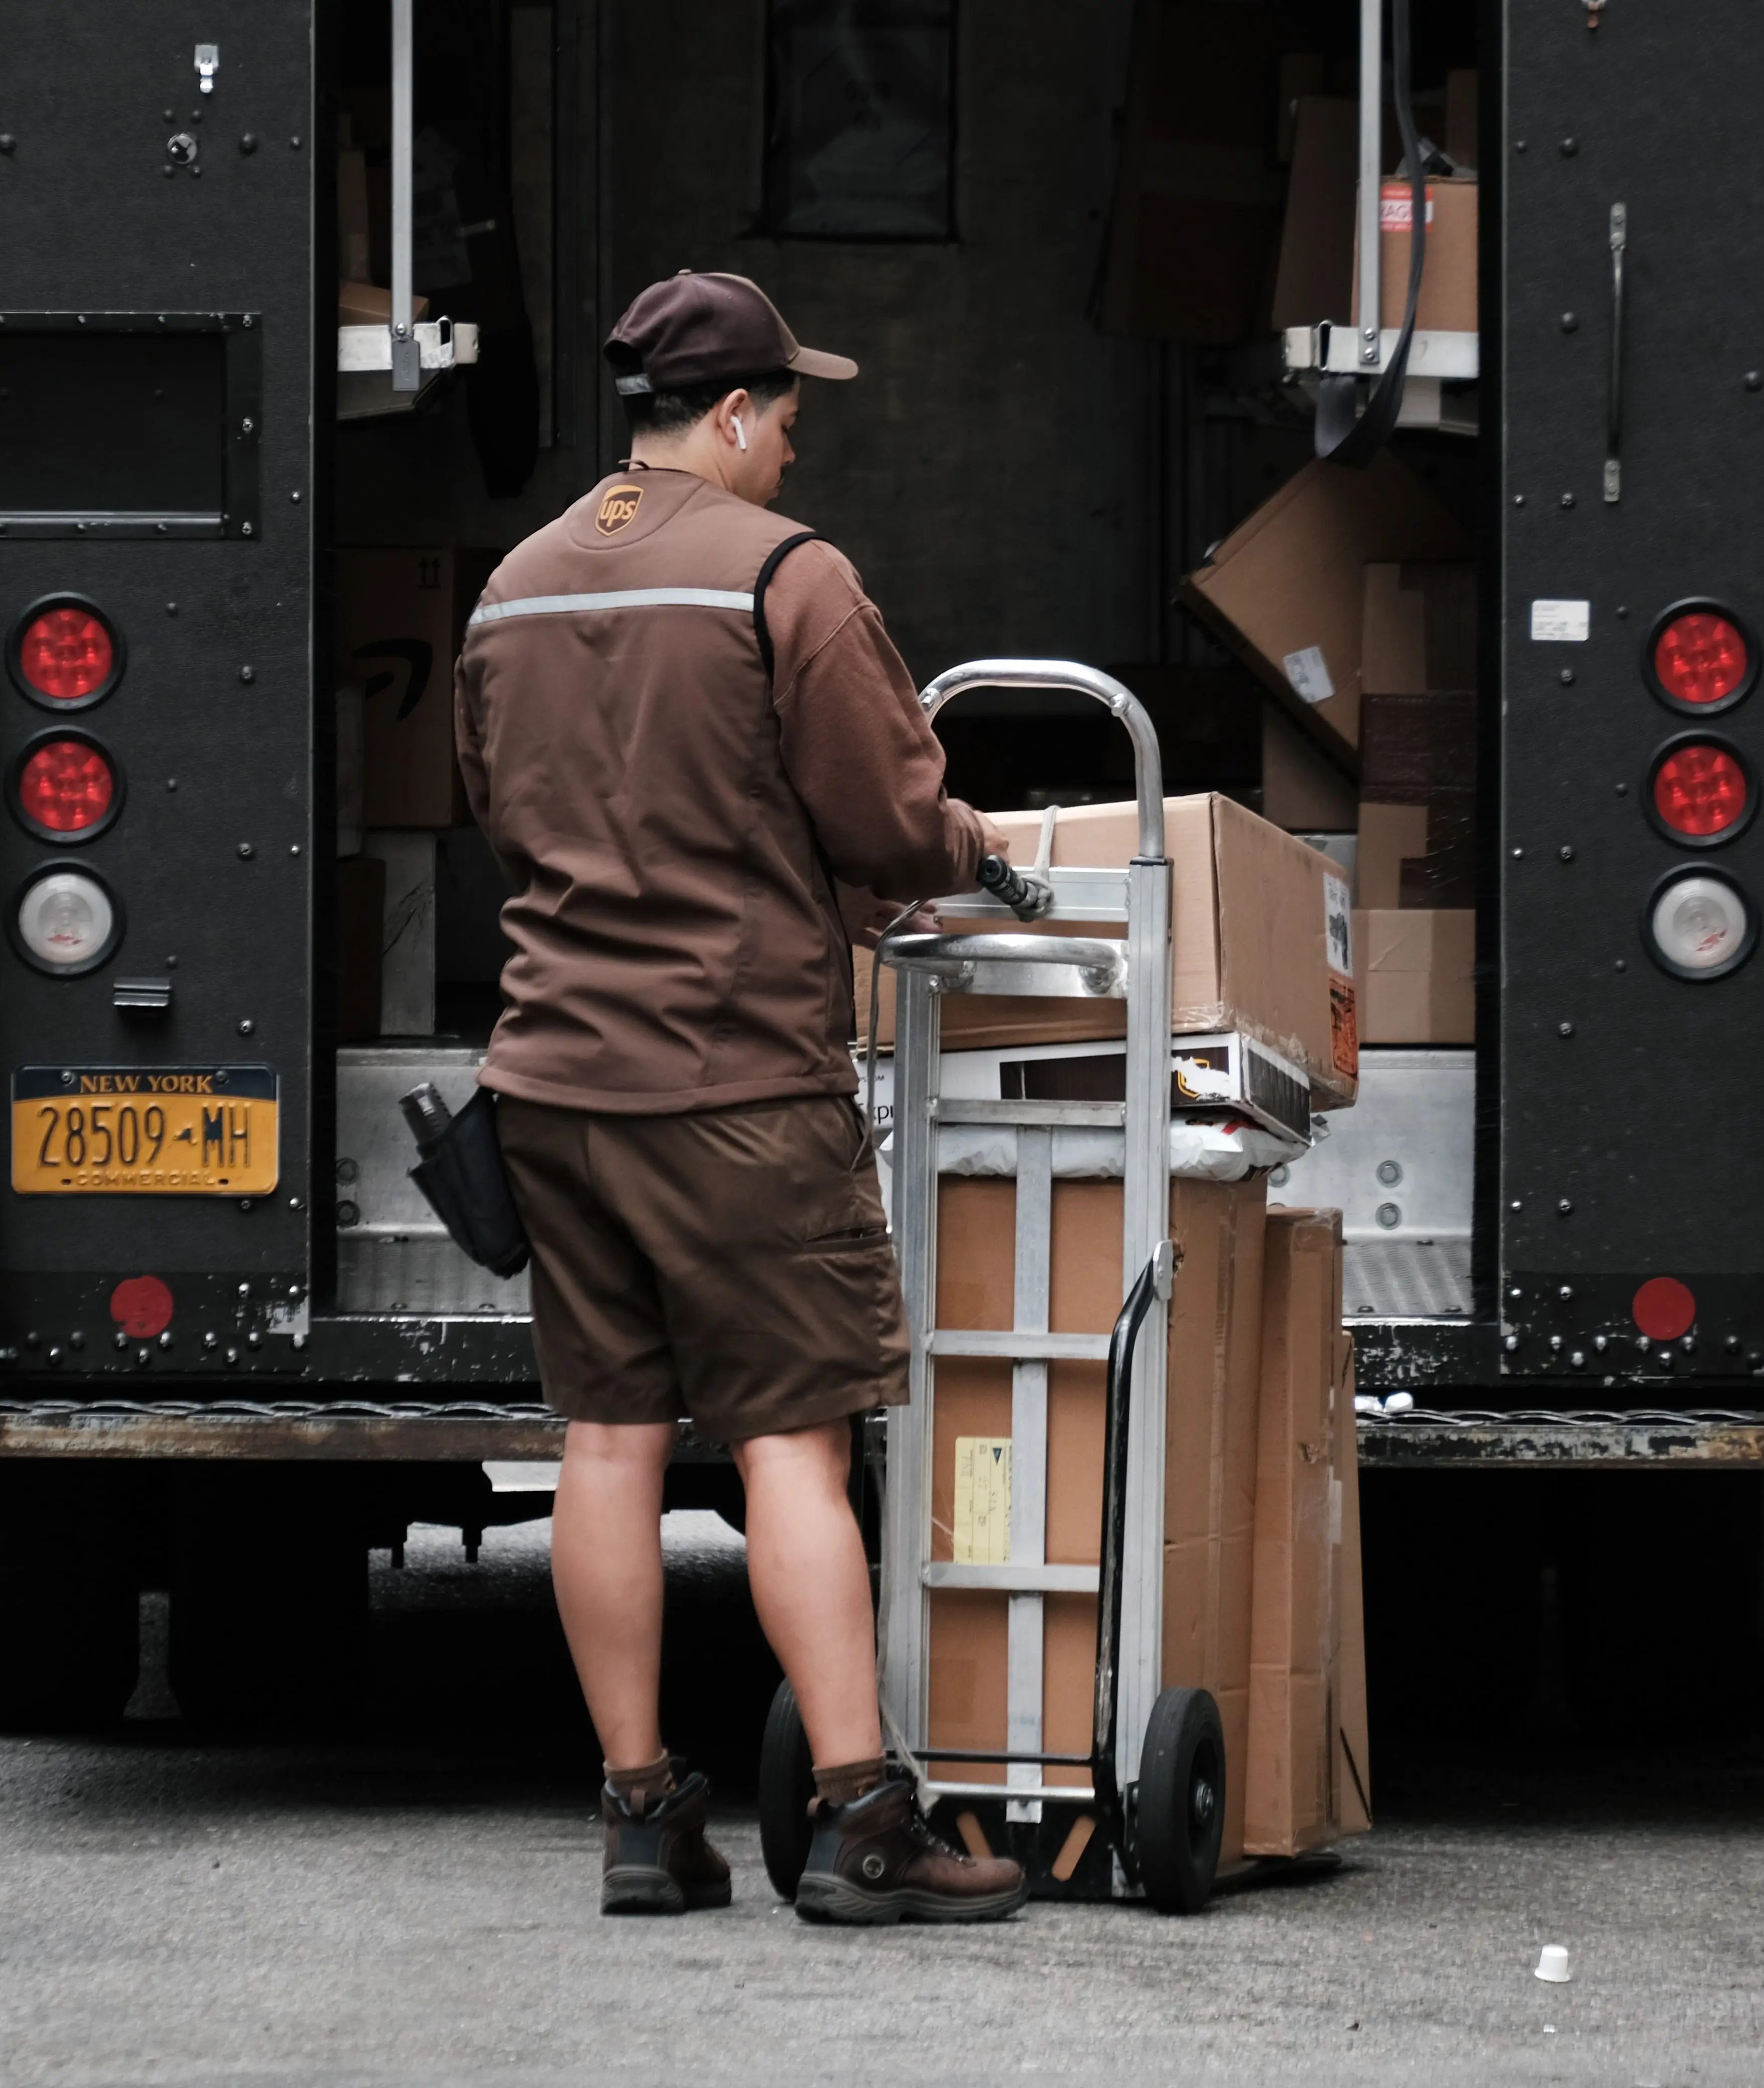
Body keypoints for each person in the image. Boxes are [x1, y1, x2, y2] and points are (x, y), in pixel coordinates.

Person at [455, 271, 1027, 1925]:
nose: (792, 445)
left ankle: (642, 1816)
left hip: (553, 1080)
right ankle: (864, 1823)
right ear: (727, 415)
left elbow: (500, 810)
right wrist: (967, 849)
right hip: (736, 1086)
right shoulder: (786, 577)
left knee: (610, 1437)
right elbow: (891, 821)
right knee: (791, 1438)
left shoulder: (512, 590)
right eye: (785, 415)